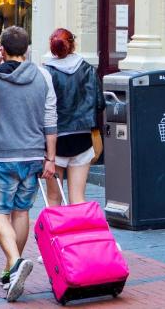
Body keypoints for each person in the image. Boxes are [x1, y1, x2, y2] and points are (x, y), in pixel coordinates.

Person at [0, 26, 56, 303]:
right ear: (27, 49)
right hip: (33, 157)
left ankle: (15, 263)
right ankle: (10, 270)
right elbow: (50, 118)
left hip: (3, 156)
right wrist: (50, 158)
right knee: (21, 212)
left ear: (1, 49)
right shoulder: (43, 75)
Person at [42, 28, 104, 206]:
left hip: (56, 141)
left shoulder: (46, 72)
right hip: (82, 139)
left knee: (54, 198)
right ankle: (77, 233)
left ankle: (55, 234)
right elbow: (99, 103)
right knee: (78, 199)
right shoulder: (88, 70)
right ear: (73, 44)